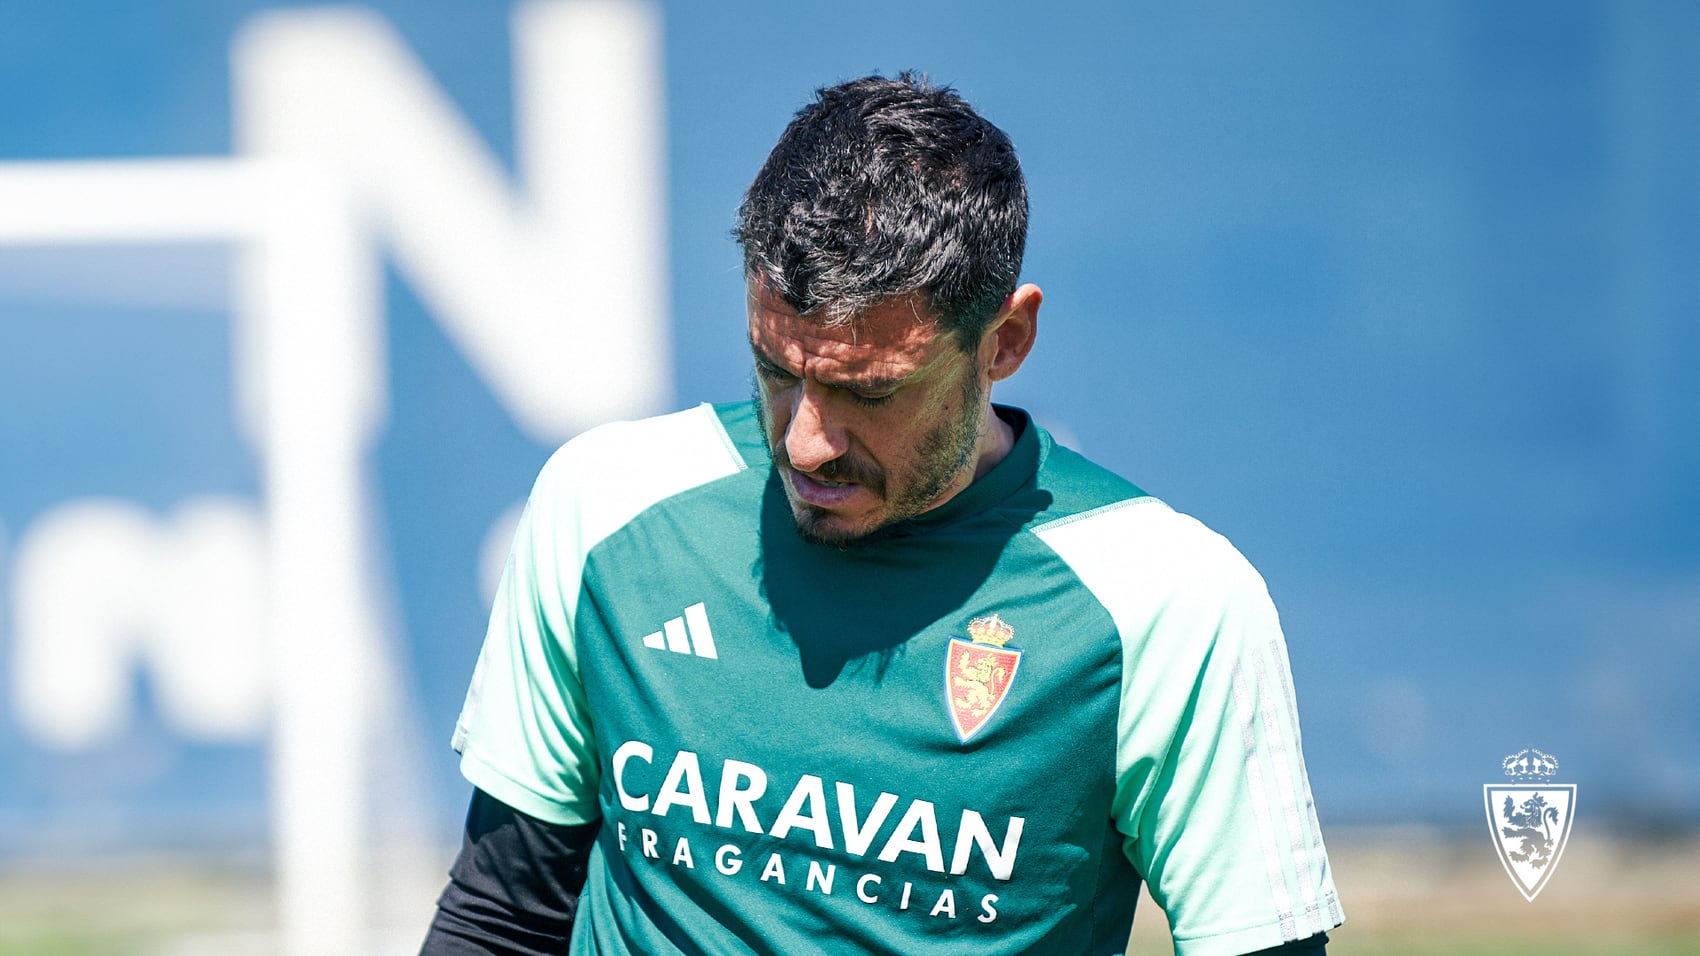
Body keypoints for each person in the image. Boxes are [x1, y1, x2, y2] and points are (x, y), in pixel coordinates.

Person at [421, 72, 1342, 955]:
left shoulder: (1169, 604)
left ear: (1005, 341)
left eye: (871, 391)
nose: (807, 443)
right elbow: (506, 917)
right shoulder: (607, 509)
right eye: (779, 373)